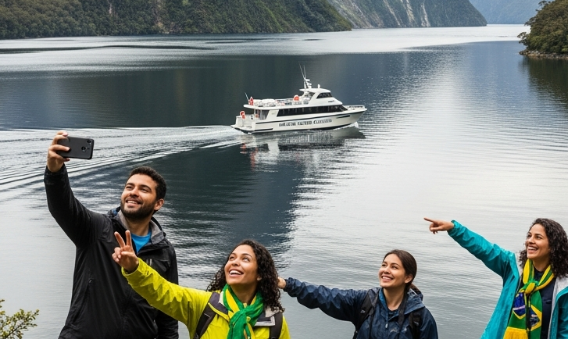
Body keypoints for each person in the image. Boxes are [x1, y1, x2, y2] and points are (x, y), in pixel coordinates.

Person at [45, 131, 178, 338]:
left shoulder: (164, 251)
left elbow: (168, 315)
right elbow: (62, 206)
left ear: (158, 203)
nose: (133, 192)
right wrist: (55, 172)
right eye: (129, 187)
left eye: (144, 189)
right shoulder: (95, 228)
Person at [425, 217, 568, 339]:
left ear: (553, 246)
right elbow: (485, 249)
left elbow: (567, 333)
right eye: (529, 235)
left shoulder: (564, 288)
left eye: (538, 237)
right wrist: (454, 228)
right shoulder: (513, 268)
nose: (530, 241)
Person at [113, 235, 290, 339]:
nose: (235, 263)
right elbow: (162, 291)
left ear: (260, 274)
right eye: (231, 258)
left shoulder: (275, 322)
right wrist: (135, 268)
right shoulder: (204, 306)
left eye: (245, 259)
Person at [277, 249, 438, 339]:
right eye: (384, 265)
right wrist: (287, 284)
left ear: (408, 277)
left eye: (394, 267)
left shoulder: (420, 317)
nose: (386, 270)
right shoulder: (364, 302)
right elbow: (325, 295)